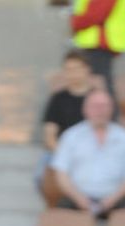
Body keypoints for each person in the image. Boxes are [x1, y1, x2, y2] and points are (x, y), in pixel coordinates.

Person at [50, 88, 125, 217]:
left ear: (112, 109)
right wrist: (80, 199)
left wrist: (110, 200)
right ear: (85, 109)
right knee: (60, 217)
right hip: (77, 199)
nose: (100, 110)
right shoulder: (71, 136)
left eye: (104, 106)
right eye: (95, 106)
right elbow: (61, 175)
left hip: (115, 200)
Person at [35, 49, 96, 196]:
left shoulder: (97, 99)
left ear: (86, 69)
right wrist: (67, 155)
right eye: (68, 70)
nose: (72, 74)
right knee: (39, 177)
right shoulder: (57, 99)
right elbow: (50, 137)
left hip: (93, 152)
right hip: (61, 151)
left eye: (76, 69)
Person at [69, 0, 125, 99]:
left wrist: (75, 22)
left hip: (100, 44)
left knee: (100, 89)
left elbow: (97, 13)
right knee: (98, 88)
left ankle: (109, 114)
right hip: (97, 44)